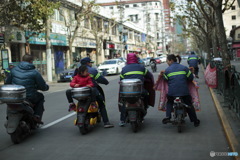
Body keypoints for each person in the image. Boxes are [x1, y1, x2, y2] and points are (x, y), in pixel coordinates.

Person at [66, 57, 114, 128]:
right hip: (90, 92)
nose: (91, 64)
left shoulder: (76, 71)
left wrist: (75, 85)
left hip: (78, 93)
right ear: (88, 63)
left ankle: (72, 103)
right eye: (90, 62)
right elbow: (100, 79)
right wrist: (106, 82)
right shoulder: (92, 70)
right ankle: (106, 122)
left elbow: (72, 80)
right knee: (101, 104)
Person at [5, 54, 49, 124]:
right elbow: (42, 86)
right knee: (40, 96)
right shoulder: (35, 72)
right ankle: (37, 116)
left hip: (15, 96)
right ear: (31, 61)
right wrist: (46, 87)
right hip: (29, 96)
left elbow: (7, 83)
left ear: (22, 60)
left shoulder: (13, 70)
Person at [161, 54, 200, 127]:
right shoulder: (184, 68)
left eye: (167, 61)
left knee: (169, 102)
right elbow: (191, 78)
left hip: (172, 93)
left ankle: (168, 116)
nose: (167, 62)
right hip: (184, 92)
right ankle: (195, 121)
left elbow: (165, 79)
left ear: (171, 60)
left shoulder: (167, 70)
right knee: (188, 104)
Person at [119, 53, 155, 126]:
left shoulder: (124, 69)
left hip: (126, 92)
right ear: (135, 59)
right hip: (140, 91)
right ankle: (145, 106)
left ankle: (122, 120)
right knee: (147, 94)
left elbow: (121, 79)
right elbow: (149, 76)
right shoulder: (141, 67)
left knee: (123, 102)